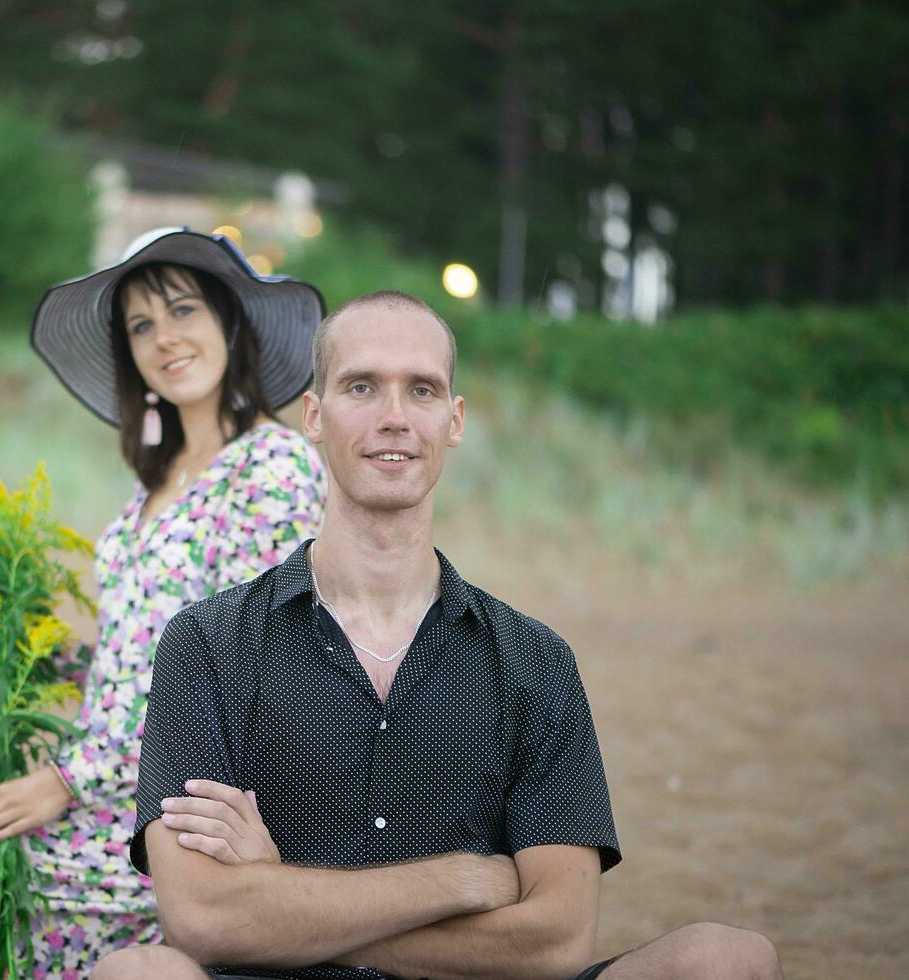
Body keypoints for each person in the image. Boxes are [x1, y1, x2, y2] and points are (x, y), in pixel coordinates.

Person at [95, 291, 783, 980]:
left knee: (728, 959)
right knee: (133, 975)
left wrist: (285, 901)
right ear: (314, 415)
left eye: (420, 390)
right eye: (361, 387)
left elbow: (559, 939)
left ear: (453, 421)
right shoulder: (207, 645)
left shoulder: (534, 662)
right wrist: (457, 881)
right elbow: (204, 918)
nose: (393, 418)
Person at [0, 229, 328, 979]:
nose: (164, 339)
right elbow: (137, 657)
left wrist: (66, 781)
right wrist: (17, 649)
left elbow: (237, 670)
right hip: (109, 788)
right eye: (141, 326)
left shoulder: (271, 469)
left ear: (230, 322)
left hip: (179, 818)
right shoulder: (156, 484)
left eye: (183, 311)